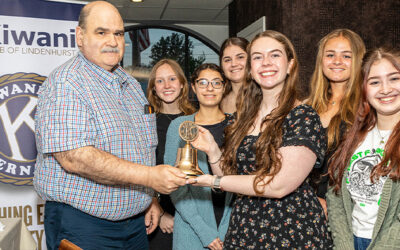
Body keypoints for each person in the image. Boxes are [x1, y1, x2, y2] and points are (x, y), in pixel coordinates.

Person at [33, 1, 186, 249]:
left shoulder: (131, 85)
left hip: (136, 224)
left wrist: (150, 199)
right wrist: (149, 177)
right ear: (80, 36)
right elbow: (75, 156)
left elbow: (141, 151)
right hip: (83, 226)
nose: (113, 41)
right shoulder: (66, 83)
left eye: (118, 33)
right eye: (101, 32)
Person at [188, 30, 332, 249]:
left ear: (290, 64)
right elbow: (232, 179)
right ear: (250, 69)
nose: (266, 63)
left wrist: (211, 181)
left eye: (274, 55)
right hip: (245, 228)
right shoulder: (241, 117)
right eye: (257, 57)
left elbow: (279, 185)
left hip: (291, 231)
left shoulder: (303, 116)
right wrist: (213, 153)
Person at [327, 48, 400, 250]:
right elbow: (336, 196)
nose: (385, 89)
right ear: (364, 89)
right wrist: (344, 245)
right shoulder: (355, 135)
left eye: (394, 79)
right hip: (351, 242)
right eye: (375, 82)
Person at [164, 63, 233, 250]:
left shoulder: (239, 125)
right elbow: (174, 185)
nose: (209, 88)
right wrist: (204, 232)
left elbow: (242, 179)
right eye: (202, 82)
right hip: (191, 230)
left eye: (216, 82)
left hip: (233, 227)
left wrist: (227, 230)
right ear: (193, 87)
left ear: (224, 86)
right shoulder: (180, 126)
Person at [307, 29, 366, 214]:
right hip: (306, 208)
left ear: (358, 60)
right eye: (330, 55)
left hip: (347, 211)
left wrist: (331, 204)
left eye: (346, 56)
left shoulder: (367, 108)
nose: (337, 61)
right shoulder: (307, 107)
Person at [146, 59, 196, 250]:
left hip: (194, 215)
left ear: (182, 84)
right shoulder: (147, 124)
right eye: (160, 81)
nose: (166, 86)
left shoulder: (197, 120)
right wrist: (158, 210)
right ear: (153, 88)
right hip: (160, 216)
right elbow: (143, 171)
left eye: (172, 79)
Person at [219, 37, 249, 114]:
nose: (234, 64)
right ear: (222, 65)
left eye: (240, 57)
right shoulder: (219, 99)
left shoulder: (263, 97)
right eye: (227, 60)